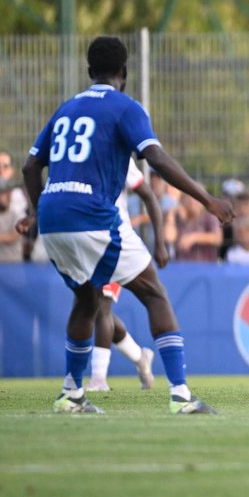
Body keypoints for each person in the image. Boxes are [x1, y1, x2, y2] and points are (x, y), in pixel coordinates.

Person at [17, 36, 234, 414]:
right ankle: (181, 396)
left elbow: (30, 166)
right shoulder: (125, 107)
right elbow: (157, 159)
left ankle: (71, 393)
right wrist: (207, 199)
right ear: (126, 72)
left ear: (89, 72)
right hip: (94, 217)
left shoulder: (66, 108)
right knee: (153, 293)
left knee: (87, 299)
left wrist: (38, 215)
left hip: (53, 216)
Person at [86, 157, 162, 392]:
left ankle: (98, 378)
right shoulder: (78, 153)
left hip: (115, 243)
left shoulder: (119, 156)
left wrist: (159, 242)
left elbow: (147, 193)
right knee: (95, 309)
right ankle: (139, 356)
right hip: (86, 242)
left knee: (103, 308)